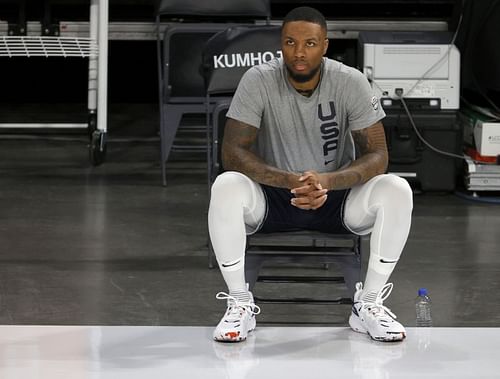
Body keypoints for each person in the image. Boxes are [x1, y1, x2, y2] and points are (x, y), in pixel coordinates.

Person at [208, 6, 413, 343]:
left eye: (310, 43)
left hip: (337, 198)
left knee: (396, 189)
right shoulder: (258, 79)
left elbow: (378, 155)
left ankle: (369, 304)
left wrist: (327, 181)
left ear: (325, 46)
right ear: (280, 44)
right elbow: (232, 153)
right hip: (274, 196)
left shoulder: (350, 81)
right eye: (290, 42)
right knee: (226, 185)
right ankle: (240, 303)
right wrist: (289, 180)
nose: (299, 52)